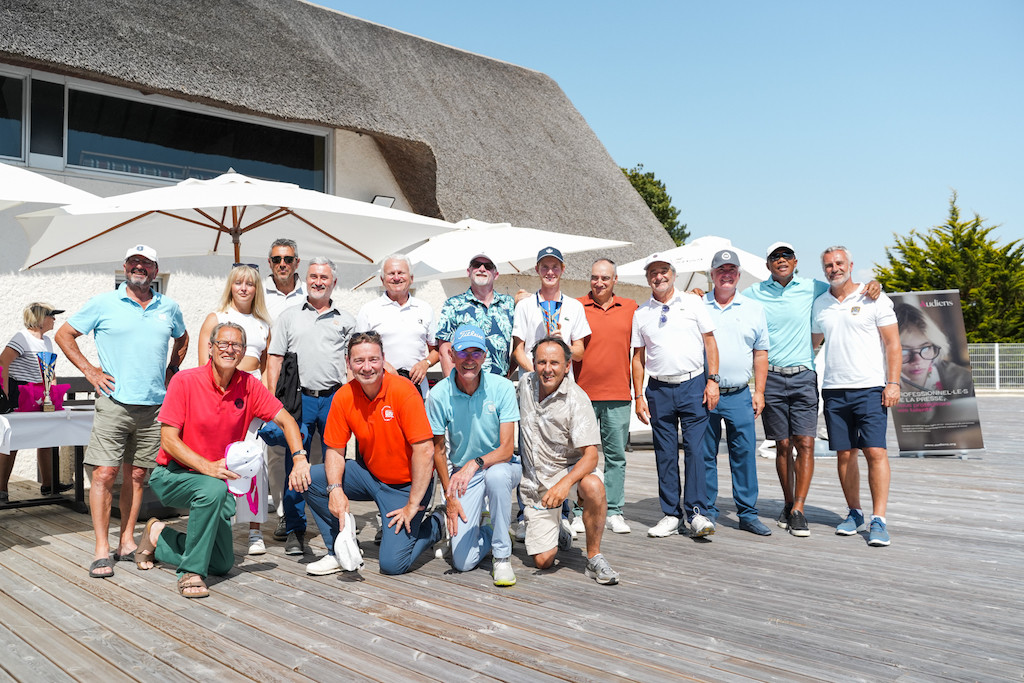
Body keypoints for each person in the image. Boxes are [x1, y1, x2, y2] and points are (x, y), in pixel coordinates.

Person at [135, 322, 304, 597]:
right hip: (174, 474)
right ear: (211, 348)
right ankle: (191, 572)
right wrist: (207, 467)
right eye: (223, 343)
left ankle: (158, 536)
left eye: (236, 345)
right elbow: (168, 440)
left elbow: (286, 420)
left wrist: (299, 458)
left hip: (214, 480)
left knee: (223, 563)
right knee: (213, 490)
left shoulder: (249, 386)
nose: (229, 349)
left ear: (242, 352)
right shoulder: (185, 381)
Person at [55, 245, 188, 579]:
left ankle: (126, 541)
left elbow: (182, 338)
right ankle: (102, 548)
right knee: (103, 474)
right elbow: (64, 334)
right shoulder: (104, 303)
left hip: (155, 407)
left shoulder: (168, 307)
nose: (139, 267)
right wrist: (90, 371)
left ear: (156, 271)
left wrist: (172, 369)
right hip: (114, 403)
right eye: (133, 262)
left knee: (139, 475)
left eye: (146, 263)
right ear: (125, 267)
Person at [743, 242, 880, 537]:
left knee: (805, 443)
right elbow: (726, 300)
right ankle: (788, 501)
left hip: (804, 376)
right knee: (782, 445)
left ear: (795, 262)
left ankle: (798, 509)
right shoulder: (754, 293)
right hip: (772, 378)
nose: (781, 260)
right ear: (768, 265)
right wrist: (698, 295)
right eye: (775, 257)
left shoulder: (814, 287)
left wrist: (873, 285)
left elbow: (845, 286)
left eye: (787, 256)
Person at [289, 331, 444, 576]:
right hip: (370, 476)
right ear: (348, 363)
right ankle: (337, 552)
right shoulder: (344, 396)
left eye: (373, 359)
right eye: (359, 361)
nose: (367, 367)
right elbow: (335, 452)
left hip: (407, 485)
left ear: (383, 359)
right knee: (307, 479)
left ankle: (436, 525)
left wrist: (414, 503)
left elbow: (424, 451)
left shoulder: (403, 391)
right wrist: (335, 489)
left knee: (393, 565)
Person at [812, 247, 901, 547]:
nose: (834, 269)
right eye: (828, 265)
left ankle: (879, 520)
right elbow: (811, 342)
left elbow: (893, 345)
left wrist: (893, 383)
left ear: (850, 265)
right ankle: (855, 513)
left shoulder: (874, 297)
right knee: (845, 454)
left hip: (871, 388)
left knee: (875, 452)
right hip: (834, 390)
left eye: (839, 263)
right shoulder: (820, 304)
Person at [266, 257, 356, 556]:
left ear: (334, 282)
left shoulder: (347, 319)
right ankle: (294, 529)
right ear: (307, 279)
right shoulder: (289, 317)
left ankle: (339, 520)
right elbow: (275, 359)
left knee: (336, 459)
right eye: (314, 276)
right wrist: (272, 402)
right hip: (299, 400)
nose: (318, 281)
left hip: (335, 398)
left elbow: (353, 363)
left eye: (324, 277)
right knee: (297, 462)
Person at [632, 254, 719, 539]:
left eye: (663, 271)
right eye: (653, 273)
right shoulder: (641, 313)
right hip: (658, 389)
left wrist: (712, 380)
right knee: (665, 454)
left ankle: (696, 513)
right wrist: (638, 396)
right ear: (648, 278)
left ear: (673, 274)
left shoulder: (694, 302)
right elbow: (638, 357)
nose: (659, 277)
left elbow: (709, 341)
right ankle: (671, 514)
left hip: (693, 385)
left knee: (696, 451)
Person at [518, 337, 619, 585]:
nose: (547, 368)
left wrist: (564, 485)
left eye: (554, 362)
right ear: (533, 363)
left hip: (569, 474)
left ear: (566, 366)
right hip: (536, 485)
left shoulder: (577, 398)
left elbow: (591, 455)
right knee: (543, 561)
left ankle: (594, 556)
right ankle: (560, 530)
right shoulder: (524, 385)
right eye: (541, 362)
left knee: (594, 487)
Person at [426, 324, 521, 586]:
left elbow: (506, 448)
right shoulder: (438, 394)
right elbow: (438, 449)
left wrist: (474, 464)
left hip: (501, 465)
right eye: (463, 352)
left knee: (498, 476)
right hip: (463, 475)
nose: (470, 359)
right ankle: (489, 529)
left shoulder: (502, 387)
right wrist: (449, 496)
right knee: (463, 562)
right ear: (452, 355)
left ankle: (502, 557)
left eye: (476, 352)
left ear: (484, 356)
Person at [511, 246, 592, 540]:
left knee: (562, 452)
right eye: (544, 266)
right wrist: (534, 372)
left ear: (562, 269)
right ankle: (525, 514)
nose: (549, 271)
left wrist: (563, 346)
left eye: (554, 266)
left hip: (563, 391)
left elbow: (581, 352)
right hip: (532, 389)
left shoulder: (574, 307)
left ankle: (564, 514)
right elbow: (518, 348)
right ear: (537, 270)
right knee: (528, 452)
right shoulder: (524, 306)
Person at [198, 264, 273, 555]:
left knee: (256, 460)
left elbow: (266, 365)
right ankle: (222, 522)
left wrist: (266, 395)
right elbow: (203, 363)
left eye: (250, 284)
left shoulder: (263, 323)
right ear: (231, 285)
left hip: (252, 392)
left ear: (256, 289)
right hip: (222, 393)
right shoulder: (216, 318)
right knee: (222, 457)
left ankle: (255, 529)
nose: (244, 288)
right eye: (239, 283)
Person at [700, 250, 772, 535]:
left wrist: (760, 391)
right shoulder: (698, 305)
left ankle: (747, 513)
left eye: (731, 270)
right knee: (704, 454)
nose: (726, 274)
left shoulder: (754, 308)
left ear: (738, 275)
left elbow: (761, 353)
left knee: (744, 454)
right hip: (705, 393)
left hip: (741, 392)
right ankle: (706, 511)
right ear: (712, 275)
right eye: (720, 270)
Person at [571, 258, 638, 535]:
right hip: (582, 395)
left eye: (605, 278)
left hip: (619, 394)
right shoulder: (576, 306)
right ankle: (578, 510)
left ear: (615, 280)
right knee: (581, 456)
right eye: (594, 277)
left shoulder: (631, 308)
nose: (599, 282)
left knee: (616, 457)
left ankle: (614, 511)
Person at [0, 302, 73, 503]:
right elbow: (2, 362)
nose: (55, 319)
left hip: (41, 393)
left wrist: (54, 392)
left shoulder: (47, 341)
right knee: (11, 440)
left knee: (48, 437)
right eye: (51, 315)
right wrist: (4, 393)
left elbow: (49, 370)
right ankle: (1, 488)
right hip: (20, 394)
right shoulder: (21, 338)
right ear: (40, 318)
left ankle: (48, 484)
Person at [356, 253, 438, 397]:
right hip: (380, 390)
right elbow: (358, 351)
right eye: (391, 273)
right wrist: (382, 365)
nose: (396, 277)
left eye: (401, 273)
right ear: (382, 280)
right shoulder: (369, 310)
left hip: (418, 390)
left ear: (411, 278)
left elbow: (436, 350)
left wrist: (425, 363)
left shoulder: (425, 309)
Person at [435, 253, 516, 378]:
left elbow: (519, 345)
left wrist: (508, 375)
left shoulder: (509, 304)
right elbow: (444, 349)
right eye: (476, 265)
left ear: (496, 275)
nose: (482, 269)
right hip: (465, 384)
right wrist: (452, 384)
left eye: (488, 266)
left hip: (499, 384)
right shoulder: (453, 305)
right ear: (469, 271)